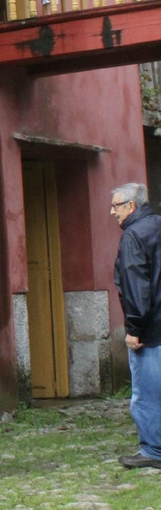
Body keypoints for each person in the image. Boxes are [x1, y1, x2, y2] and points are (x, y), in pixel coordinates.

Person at [110, 183, 161, 469]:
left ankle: (153, 450)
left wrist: (134, 328)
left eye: (116, 206)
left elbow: (136, 286)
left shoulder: (133, 236)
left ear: (131, 206)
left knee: (147, 392)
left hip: (151, 330)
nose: (112, 212)